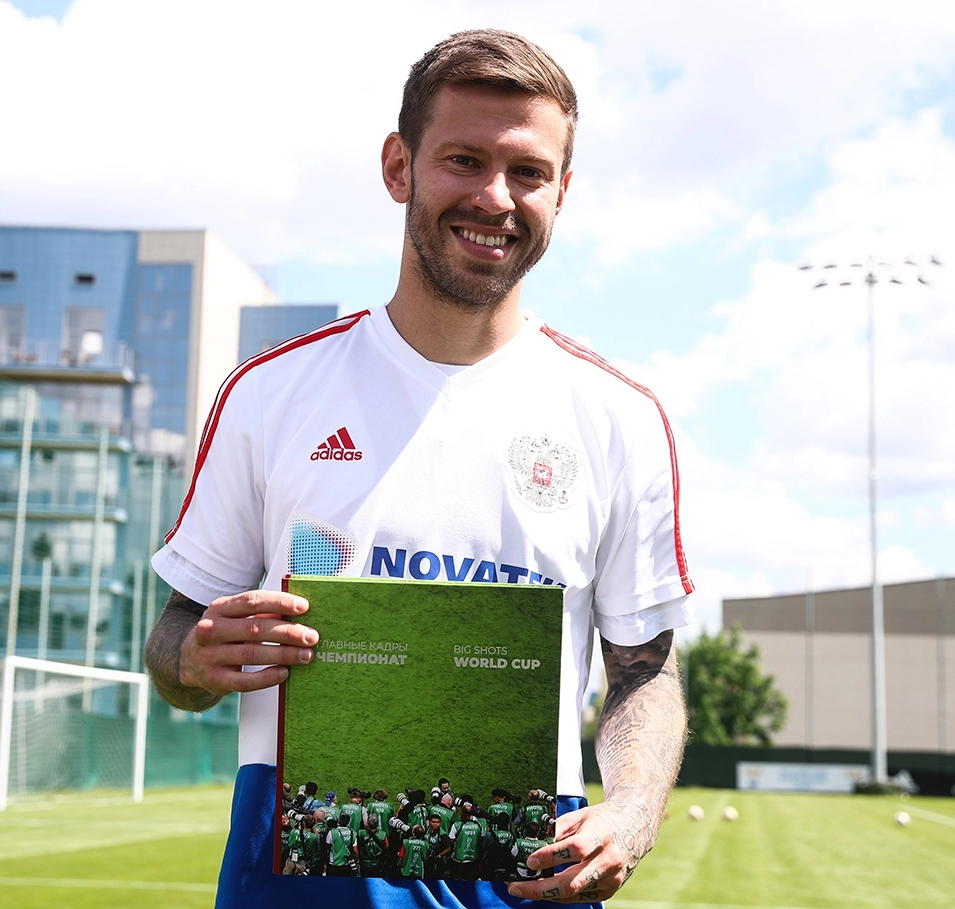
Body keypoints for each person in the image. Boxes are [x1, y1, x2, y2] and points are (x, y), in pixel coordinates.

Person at [144, 27, 690, 908]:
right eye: (464, 160)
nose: (495, 197)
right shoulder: (271, 393)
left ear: (563, 191)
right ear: (399, 167)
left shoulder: (618, 418)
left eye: (528, 172)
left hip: (522, 870)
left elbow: (645, 670)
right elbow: (174, 635)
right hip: (298, 869)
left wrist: (632, 808)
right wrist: (200, 657)